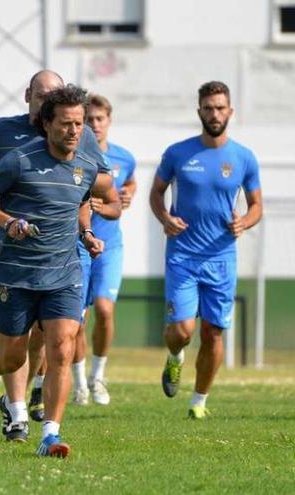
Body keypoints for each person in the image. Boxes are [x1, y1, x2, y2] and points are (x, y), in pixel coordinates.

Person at [0, 84, 118, 457]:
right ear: (46, 123)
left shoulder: (85, 165)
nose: (74, 131)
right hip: (18, 272)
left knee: (62, 348)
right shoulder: (19, 160)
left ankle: (50, 434)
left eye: (79, 124)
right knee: (14, 357)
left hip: (64, 271)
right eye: (66, 123)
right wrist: (7, 222)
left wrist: (86, 234)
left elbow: (82, 201)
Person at [150, 81, 262, 419]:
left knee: (213, 331)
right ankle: (175, 358)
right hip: (182, 255)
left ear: (230, 111)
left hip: (222, 258)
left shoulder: (244, 157)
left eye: (220, 107)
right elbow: (156, 193)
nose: (214, 114)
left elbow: (257, 205)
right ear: (199, 110)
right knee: (182, 331)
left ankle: (199, 402)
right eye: (208, 108)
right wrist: (165, 218)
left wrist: (244, 222)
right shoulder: (177, 153)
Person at [71, 94, 137, 406]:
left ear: (109, 120)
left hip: (110, 245)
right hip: (76, 246)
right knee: (77, 319)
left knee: (105, 309)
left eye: (100, 119)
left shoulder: (124, 158)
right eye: (90, 119)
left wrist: (126, 196)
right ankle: (80, 383)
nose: (95, 124)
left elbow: (129, 186)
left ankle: (99, 377)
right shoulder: (74, 156)